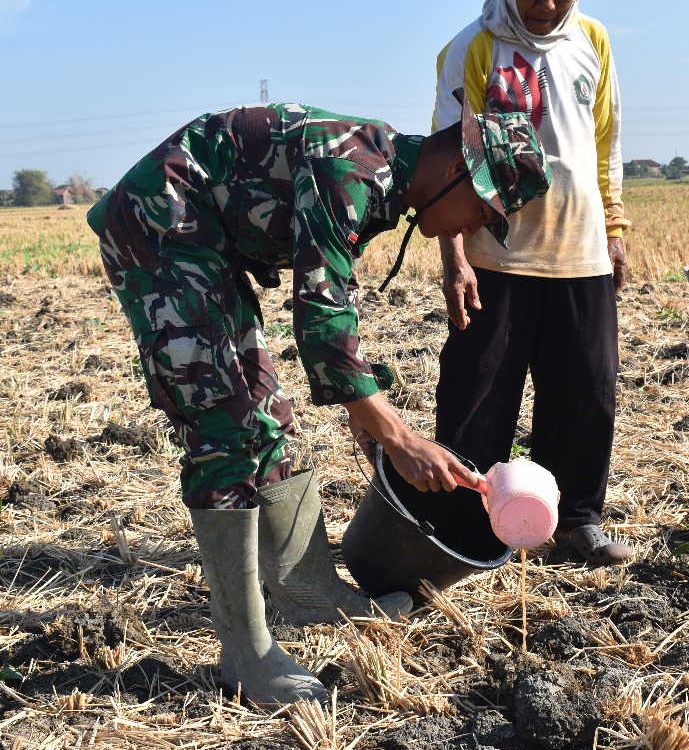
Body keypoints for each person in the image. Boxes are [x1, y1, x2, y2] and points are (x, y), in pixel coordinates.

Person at [86, 97, 549, 706]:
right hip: (160, 228)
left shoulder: (381, 179)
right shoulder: (350, 171)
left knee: (268, 414)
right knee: (222, 427)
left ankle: (310, 590)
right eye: (479, 212)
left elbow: (331, 302)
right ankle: (244, 652)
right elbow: (321, 315)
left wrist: (368, 410)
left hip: (206, 243)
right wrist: (397, 437)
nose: (468, 229)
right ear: (456, 172)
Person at [431, 0, 633, 565]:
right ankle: (464, 531)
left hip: (580, 250)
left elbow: (606, 144)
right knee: (477, 396)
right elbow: (447, 162)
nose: (548, 4)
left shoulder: (593, 41)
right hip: (497, 255)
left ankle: (574, 520)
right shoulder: (473, 49)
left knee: (587, 392)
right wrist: (455, 257)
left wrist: (616, 228)